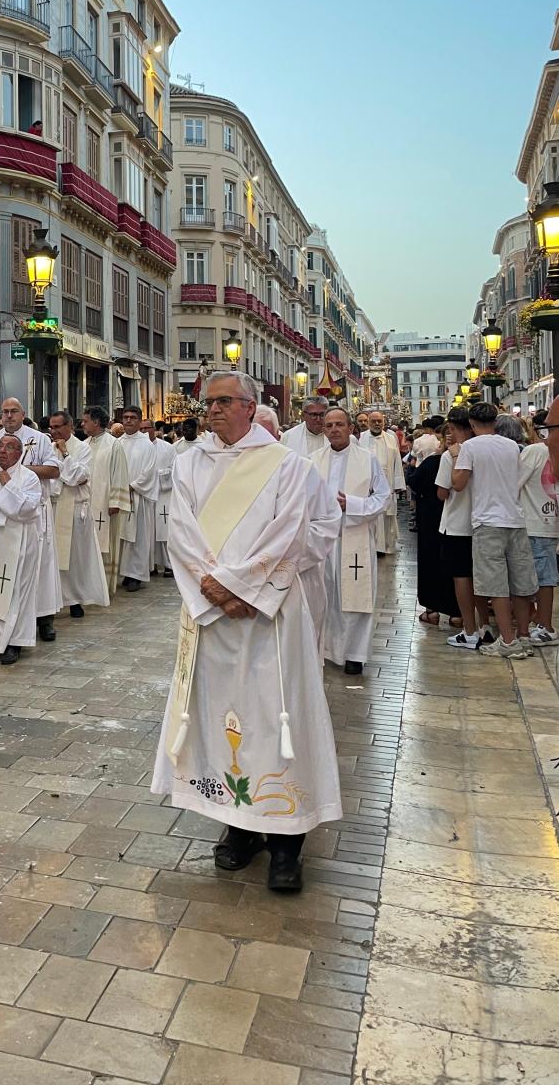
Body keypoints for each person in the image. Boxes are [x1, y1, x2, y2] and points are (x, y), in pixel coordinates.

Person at [151, 371, 342, 894]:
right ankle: (238, 826)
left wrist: (240, 589)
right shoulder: (189, 462)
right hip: (212, 616)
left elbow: (292, 535)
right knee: (220, 719)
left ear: (250, 406)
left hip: (271, 617)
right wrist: (214, 591)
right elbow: (181, 531)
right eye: (207, 402)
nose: (211, 410)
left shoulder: (290, 467)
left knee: (278, 717)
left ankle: (286, 842)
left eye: (223, 401)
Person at [450, 402, 536, 660]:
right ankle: (522, 636)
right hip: (515, 520)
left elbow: (458, 484)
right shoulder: (511, 446)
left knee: (496, 584)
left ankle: (507, 642)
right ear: (495, 422)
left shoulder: (470, 447)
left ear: (473, 425)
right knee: (519, 582)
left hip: (488, 522)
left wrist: (456, 456)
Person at [315, 408, 391, 675]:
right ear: (323, 430)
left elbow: (383, 497)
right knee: (323, 596)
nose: (334, 429)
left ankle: (354, 654)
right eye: (329, 425)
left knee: (355, 596)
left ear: (350, 428)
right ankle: (322, 648)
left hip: (355, 536)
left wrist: (352, 505)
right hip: (322, 539)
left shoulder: (367, 459)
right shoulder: (313, 460)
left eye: (339, 424)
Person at [0, 399, 61, 641]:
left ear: (23, 414)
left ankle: (44, 619)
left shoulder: (40, 438)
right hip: (0, 517)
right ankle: (7, 625)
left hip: (33, 512)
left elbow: (54, 470)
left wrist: (19, 472)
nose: (8, 416)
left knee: (41, 569)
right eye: (4, 412)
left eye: (13, 412)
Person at [0, 433, 43, 663]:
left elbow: (28, 509)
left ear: (19, 453)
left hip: (20, 541)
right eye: (0, 446)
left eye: (9, 447)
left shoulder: (29, 477)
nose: (2, 450)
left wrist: (7, 486)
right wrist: (8, 507)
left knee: (17, 590)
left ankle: (14, 642)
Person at [436, 409, 494, 652]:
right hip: (484, 521)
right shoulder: (489, 450)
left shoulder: (453, 455)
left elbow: (442, 491)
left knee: (462, 577)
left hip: (458, 523)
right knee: (480, 577)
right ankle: (485, 625)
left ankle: (469, 630)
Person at [48, 410, 109, 618]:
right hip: (55, 506)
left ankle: (75, 599)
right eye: (51, 427)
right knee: (54, 556)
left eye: (57, 427)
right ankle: (55, 598)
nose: (53, 431)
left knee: (75, 558)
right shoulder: (48, 448)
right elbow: (51, 479)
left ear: (69, 426)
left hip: (75, 509)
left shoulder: (82, 448)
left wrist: (65, 455)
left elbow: (78, 477)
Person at [408, 427, 459, 627]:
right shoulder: (465, 461)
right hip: (456, 520)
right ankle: (457, 613)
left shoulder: (432, 462)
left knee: (430, 562)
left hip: (430, 518)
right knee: (455, 565)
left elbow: (413, 481)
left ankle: (432, 610)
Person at [518, 417, 559, 646]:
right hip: (549, 519)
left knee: (543, 579)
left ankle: (546, 626)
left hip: (534, 520)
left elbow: (514, 482)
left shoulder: (534, 452)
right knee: (545, 576)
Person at [82, 406, 131, 593]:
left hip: (105, 504)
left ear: (96, 422)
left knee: (106, 544)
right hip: (87, 504)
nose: (82, 424)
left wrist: (115, 502)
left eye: (86, 420)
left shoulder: (113, 444)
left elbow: (119, 473)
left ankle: (105, 585)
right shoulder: (84, 444)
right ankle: (89, 585)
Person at [117, 407, 159, 592]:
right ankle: (124, 572)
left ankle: (136, 575)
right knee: (121, 536)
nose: (128, 421)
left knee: (137, 537)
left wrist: (131, 486)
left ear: (139, 420)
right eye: (125, 417)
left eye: (132, 418)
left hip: (137, 496)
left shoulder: (146, 444)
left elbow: (149, 472)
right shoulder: (117, 443)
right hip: (119, 496)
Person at [359, 411, 406, 555]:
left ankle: (384, 546)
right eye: (373, 421)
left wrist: (398, 483)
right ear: (368, 422)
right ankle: (371, 545)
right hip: (367, 484)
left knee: (385, 516)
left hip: (387, 482)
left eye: (380, 421)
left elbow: (397, 460)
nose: (377, 424)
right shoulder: (361, 438)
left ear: (384, 422)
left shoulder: (391, 439)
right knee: (370, 515)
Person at [152, 427, 176, 577]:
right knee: (149, 531)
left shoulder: (168, 448)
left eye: (147, 428)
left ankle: (169, 564)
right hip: (146, 494)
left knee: (164, 530)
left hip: (163, 493)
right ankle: (151, 564)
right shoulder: (141, 447)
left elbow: (174, 468)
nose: (144, 431)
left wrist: (154, 477)